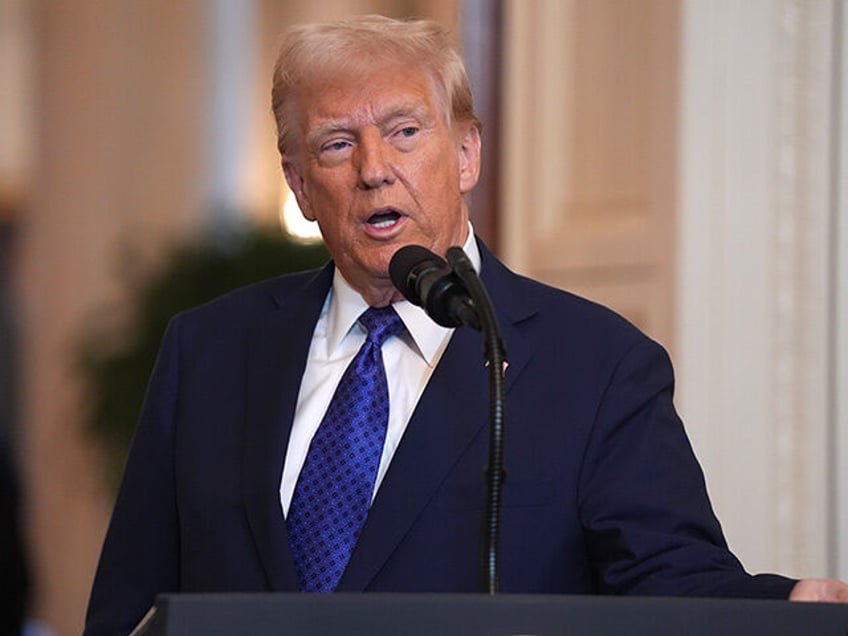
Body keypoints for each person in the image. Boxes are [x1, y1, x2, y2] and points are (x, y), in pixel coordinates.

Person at [83, 14, 848, 635]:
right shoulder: (209, 352)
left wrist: (781, 610)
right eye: (337, 144)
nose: (374, 168)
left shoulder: (596, 365)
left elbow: (671, 582)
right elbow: (131, 608)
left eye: (406, 132)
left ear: (467, 154)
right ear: (300, 185)